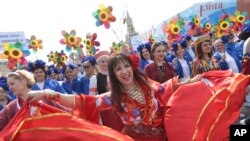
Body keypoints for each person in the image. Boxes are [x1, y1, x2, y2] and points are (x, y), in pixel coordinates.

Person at [28, 53, 202, 141]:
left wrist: (192, 81)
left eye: (126, 66)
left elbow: (168, 88)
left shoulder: (148, 85)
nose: (124, 71)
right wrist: (47, 94)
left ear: (132, 68)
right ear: (113, 74)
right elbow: (82, 101)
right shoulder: (113, 97)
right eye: (118, 69)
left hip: (162, 138)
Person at [0, 70, 71, 130]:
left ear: (24, 81)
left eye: (12, 84)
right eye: (8, 85)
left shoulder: (45, 99)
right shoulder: (10, 108)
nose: (10, 88)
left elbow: (67, 113)